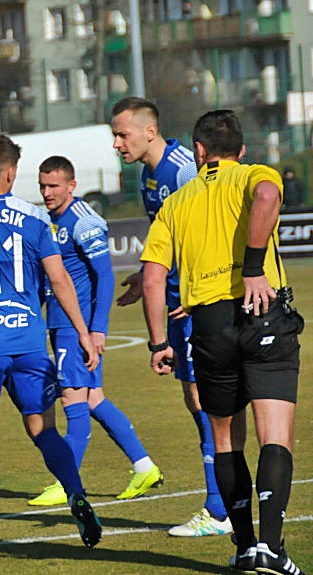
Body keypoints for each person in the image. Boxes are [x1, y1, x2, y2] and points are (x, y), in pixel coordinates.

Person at [140, 110, 305, 575]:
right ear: (243, 148)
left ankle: (244, 546)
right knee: (275, 433)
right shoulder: (255, 175)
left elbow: (153, 279)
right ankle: (270, 547)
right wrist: (253, 267)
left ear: (198, 151)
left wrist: (158, 344)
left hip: (208, 326)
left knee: (225, 439)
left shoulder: (176, 202)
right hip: (261, 310)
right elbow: (269, 196)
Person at [0, 132, 103, 553]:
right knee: (42, 428)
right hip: (29, 340)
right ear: (12, 172)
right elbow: (59, 278)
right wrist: (83, 332)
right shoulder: (34, 216)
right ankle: (76, 492)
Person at [110, 96, 230, 537]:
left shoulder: (182, 169)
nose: (117, 144)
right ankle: (223, 501)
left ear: (148, 131)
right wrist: (148, 277)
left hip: (197, 301)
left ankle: (219, 509)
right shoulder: (148, 174)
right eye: (114, 136)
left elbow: (208, 229)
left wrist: (194, 287)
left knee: (207, 401)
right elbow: (169, 237)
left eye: (122, 134)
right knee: (195, 401)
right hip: (178, 300)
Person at [28, 156, 162, 506]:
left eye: (53, 186)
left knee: (73, 398)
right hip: (61, 324)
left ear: (72, 185)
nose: (46, 192)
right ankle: (145, 466)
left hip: (78, 328)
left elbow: (105, 275)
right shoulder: (51, 220)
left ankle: (66, 479)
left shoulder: (83, 221)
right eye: (42, 185)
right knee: (92, 398)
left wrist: (97, 329)